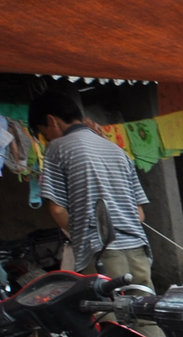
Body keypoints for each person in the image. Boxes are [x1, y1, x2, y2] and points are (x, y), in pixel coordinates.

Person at [27, 87, 152, 285]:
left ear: (52, 121)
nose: (48, 140)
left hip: (100, 250)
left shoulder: (58, 148)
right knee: (143, 309)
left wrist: (80, 232)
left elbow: (58, 209)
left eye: (45, 134)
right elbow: (139, 214)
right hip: (138, 249)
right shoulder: (116, 150)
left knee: (109, 313)